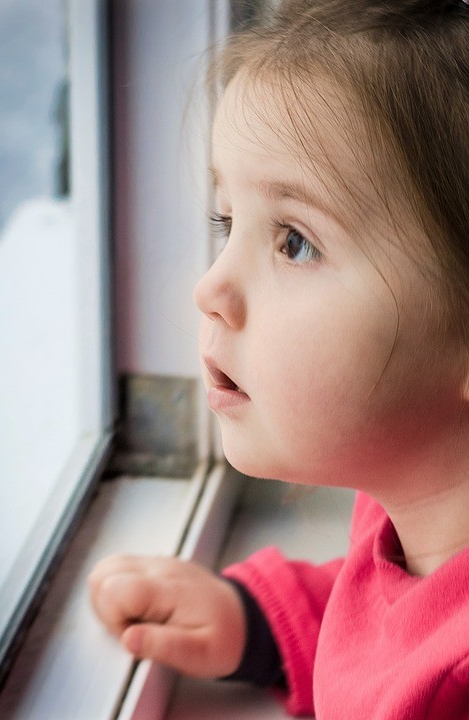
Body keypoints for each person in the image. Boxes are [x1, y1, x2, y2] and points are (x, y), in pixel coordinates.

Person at [88, 1, 469, 717]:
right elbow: (402, 628)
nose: (210, 288)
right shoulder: (414, 509)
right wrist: (263, 627)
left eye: (295, 242)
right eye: (227, 221)